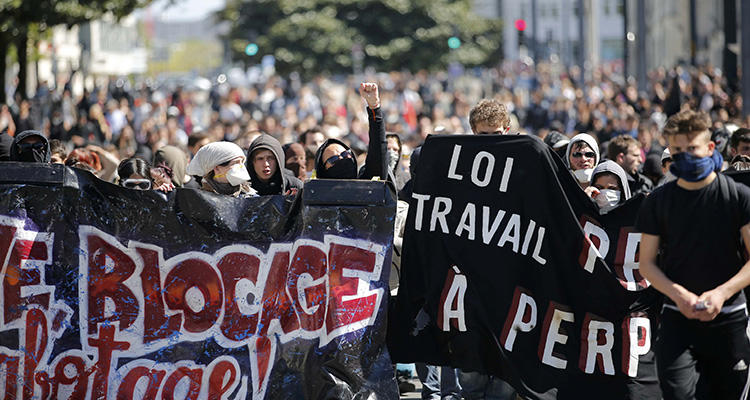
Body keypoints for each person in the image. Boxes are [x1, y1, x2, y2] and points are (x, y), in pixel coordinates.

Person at [636, 109, 750, 400]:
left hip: (728, 318)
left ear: (710, 148)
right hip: (677, 317)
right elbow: (646, 263)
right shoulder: (658, 201)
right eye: (677, 150)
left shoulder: (737, 196)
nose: (684, 156)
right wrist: (679, 296)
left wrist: (722, 293)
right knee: (677, 393)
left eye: (692, 149)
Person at [313, 82, 386, 181]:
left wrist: (374, 107)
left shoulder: (365, 181)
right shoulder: (316, 194)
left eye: (345, 154)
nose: (342, 159)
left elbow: (377, 148)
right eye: (333, 159)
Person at [186, 141, 257, 197]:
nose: (241, 166)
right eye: (236, 163)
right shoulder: (201, 200)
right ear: (217, 169)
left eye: (242, 162)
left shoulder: (250, 196)